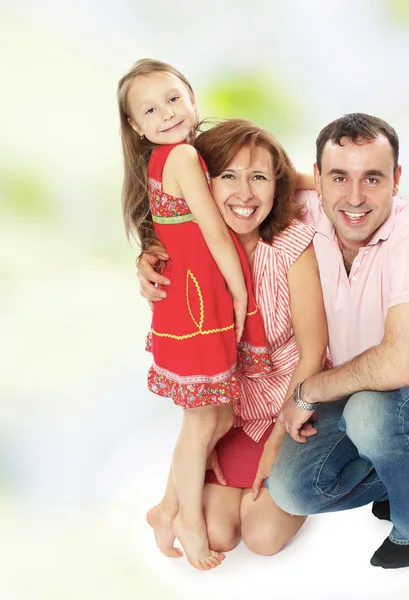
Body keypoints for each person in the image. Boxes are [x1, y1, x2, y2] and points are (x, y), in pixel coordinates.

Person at [268, 113, 409, 569]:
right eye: (339, 177)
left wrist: (307, 391)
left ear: (396, 180)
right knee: (292, 490)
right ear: (318, 179)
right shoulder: (310, 213)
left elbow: (399, 365)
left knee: (372, 410)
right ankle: (398, 473)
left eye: (373, 178)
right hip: (351, 390)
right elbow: (242, 188)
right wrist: (153, 250)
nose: (356, 198)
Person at [136, 120, 328, 558]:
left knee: (261, 539)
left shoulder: (291, 244)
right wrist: (145, 263)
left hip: (290, 409)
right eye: (228, 177)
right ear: (202, 184)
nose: (245, 194)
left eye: (258, 178)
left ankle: (296, 479)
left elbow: (314, 351)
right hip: (230, 415)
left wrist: (279, 438)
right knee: (218, 534)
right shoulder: (185, 254)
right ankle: (174, 507)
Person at [117, 59, 272, 570]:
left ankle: (165, 509)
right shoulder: (181, 156)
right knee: (201, 422)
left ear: (192, 97)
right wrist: (240, 292)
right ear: (136, 127)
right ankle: (186, 523)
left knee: (218, 414)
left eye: (173, 98)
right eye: (150, 109)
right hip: (200, 305)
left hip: (190, 303)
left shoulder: (177, 156)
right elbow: (213, 232)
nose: (166, 113)